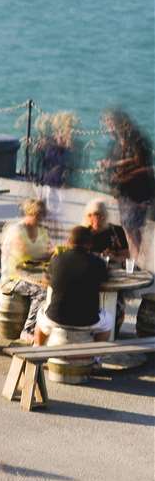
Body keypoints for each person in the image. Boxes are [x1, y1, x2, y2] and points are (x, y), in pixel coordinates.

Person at [35, 226, 112, 346]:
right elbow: (106, 280)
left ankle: (37, 350)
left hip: (55, 318)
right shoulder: (98, 263)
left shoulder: (57, 259)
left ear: (68, 242)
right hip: (88, 320)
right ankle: (96, 356)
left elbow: (46, 278)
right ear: (90, 244)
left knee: (40, 316)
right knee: (108, 321)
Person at [102, 109, 152, 265]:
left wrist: (118, 168)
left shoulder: (136, 139)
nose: (107, 127)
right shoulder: (119, 141)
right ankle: (135, 261)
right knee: (128, 229)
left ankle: (138, 263)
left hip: (137, 193)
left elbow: (142, 163)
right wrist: (110, 166)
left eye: (109, 123)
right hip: (124, 192)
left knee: (134, 230)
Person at [0, 197, 55, 335]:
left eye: (41, 215)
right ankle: (29, 330)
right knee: (42, 292)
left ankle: (48, 329)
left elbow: (47, 253)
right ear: (29, 213)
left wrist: (55, 253)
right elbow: (26, 253)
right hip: (13, 277)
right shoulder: (16, 230)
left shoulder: (42, 231)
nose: (39, 218)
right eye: (37, 215)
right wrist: (51, 252)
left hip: (35, 274)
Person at [82, 197, 130, 263]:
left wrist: (114, 257)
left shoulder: (116, 231)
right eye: (90, 215)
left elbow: (126, 256)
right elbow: (76, 255)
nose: (94, 218)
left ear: (104, 215)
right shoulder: (83, 233)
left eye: (97, 214)